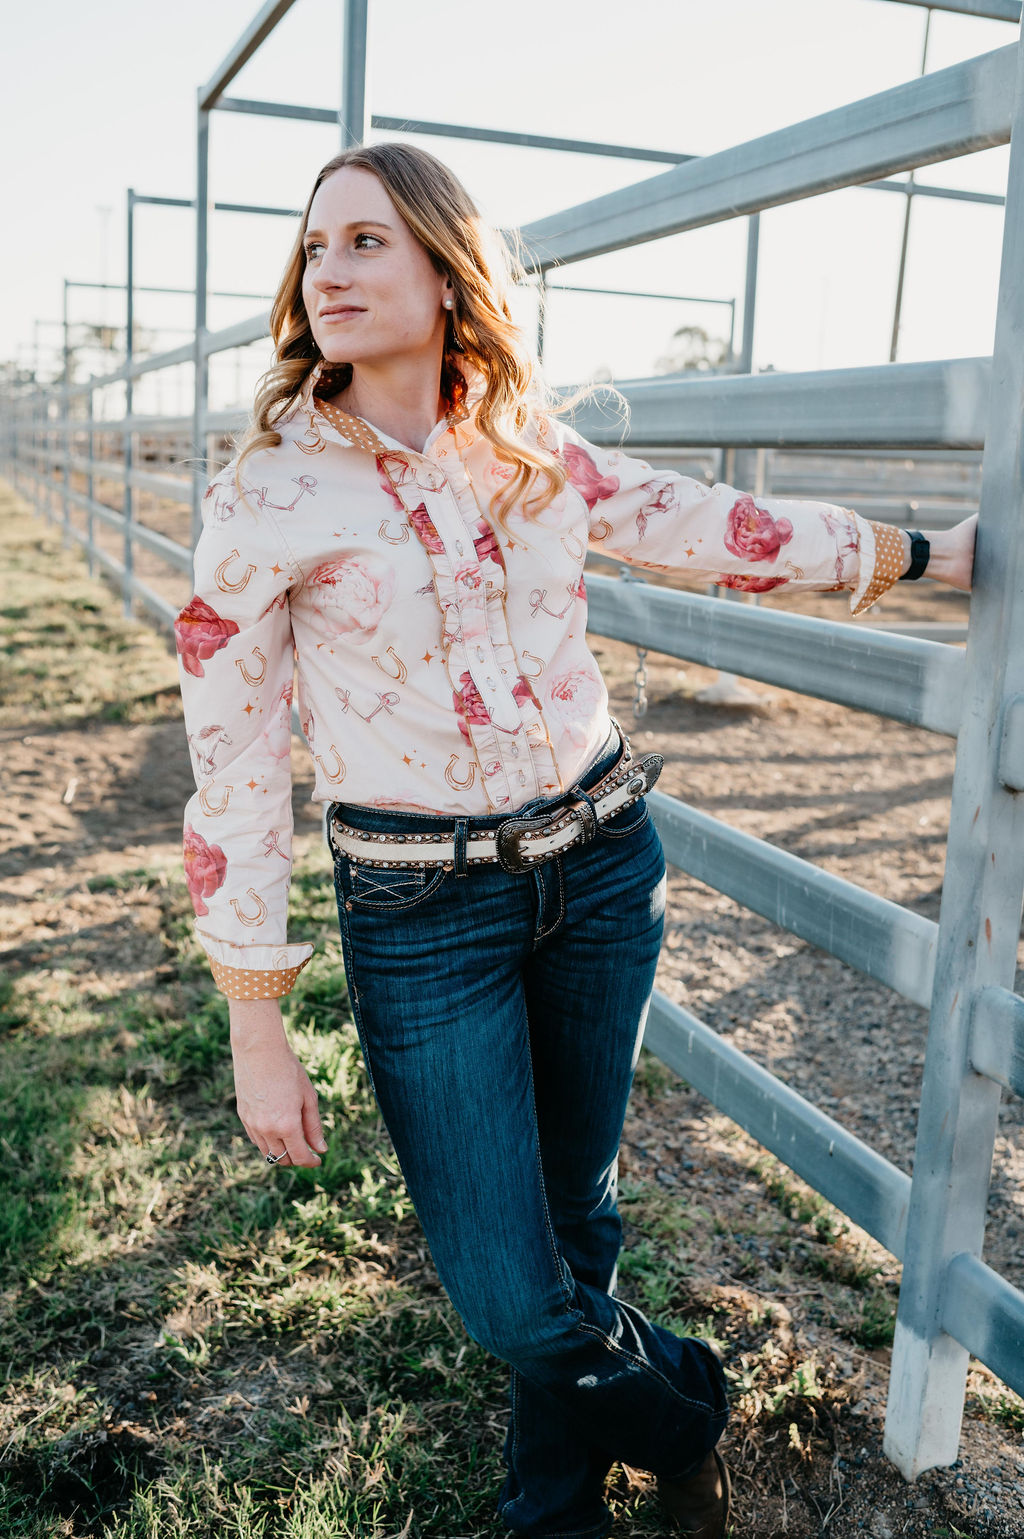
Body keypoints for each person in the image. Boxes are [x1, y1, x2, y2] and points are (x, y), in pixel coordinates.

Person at [174, 142, 977, 1539]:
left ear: (444, 261)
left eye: (366, 240)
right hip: (424, 913)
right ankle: (684, 1407)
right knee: (504, 1287)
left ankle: (551, 1508)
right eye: (316, 249)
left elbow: (714, 528)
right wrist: (256, 1010)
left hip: (602, 869)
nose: (332, 270)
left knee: (575, 1216)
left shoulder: (535, 451)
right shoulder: (267, 498)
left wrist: (918, 555)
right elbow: (231, 755)